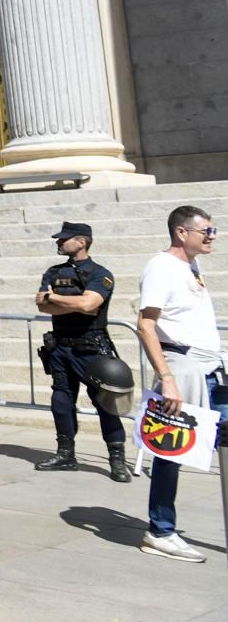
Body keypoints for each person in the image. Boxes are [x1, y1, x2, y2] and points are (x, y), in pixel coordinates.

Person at [134, 206, 223, 563]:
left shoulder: (190, 266)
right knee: (172, 449)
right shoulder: (161, 267)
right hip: (182, 367)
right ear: (181, 233)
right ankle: (160, 531)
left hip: (211, 366)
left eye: (213, 230)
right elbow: (145, 325)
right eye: (206, 230)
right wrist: (167, 378)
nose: (212, 236)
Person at [32, 221, 131, 481]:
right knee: (61, 402)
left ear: (81, 242)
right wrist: (64, 302)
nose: (58, 242)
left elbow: (91, 304)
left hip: (91, 348)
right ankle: (65, 454)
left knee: (105, 404)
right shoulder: (53, 272)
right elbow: (42, 305)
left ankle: (117, 460)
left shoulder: (100, 273)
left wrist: (57, 299)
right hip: (60, 347)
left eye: (64, 239)